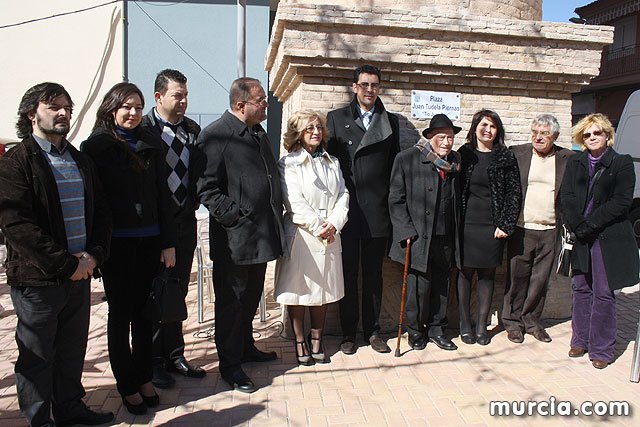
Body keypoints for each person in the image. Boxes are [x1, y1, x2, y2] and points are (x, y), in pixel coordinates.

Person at [0, 82, 113, 427]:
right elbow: (17, 226)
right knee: (37, 356)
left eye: (68, 106)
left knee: (70, 350)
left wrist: (93, 257)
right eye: (54, 107)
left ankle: (69, 408)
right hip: (39, 280)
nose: (64, 113)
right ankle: (39, 419)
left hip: (79, 275)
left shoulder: (78, 159)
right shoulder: (18, 162)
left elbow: (101, 213)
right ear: (32, 114)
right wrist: (66, 264)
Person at [81, 82, 176, 415]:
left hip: (150, 239)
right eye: (127, 107)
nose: (134, 113)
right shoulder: (95, 148)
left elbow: (163, 195)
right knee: (121, 315)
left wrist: (167, 242)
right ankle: (126, 385)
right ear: (112, 109)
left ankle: (144, 376)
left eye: (138, 107)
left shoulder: (151, 142)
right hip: (116, 243)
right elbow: (93, 202)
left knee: (146, 313)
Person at [196, 77, 285, 393]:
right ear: (240, 104)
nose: (266, 104)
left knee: (250, 299)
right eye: (260, 100)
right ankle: (230, 365)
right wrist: (234, 215)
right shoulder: (216, 136)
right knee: (231, 304)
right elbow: (206, 187)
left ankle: (245, 347)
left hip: (260, 236)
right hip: (235, 240)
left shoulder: (257, 132)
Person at [326, 64, 400, 355]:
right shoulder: (336, 118)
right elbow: (330, 167)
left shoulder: (390, 122)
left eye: (375, 85)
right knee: (347, 274)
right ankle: (347, 333)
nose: (370, 90)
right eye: (365, 84)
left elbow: (395, 171)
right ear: (354, 87)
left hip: (377, 212)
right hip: (346, 210)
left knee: (373, 276)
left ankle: (373, 331)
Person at [140, 69, 206, 388]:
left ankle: (175, 354)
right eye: (177, 95)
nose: (183, 101)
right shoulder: (143, 129)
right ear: (158, 97)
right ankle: (153, 361)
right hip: (152, 228)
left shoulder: (192, 130)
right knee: (154, 292)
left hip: (184, 225)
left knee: (176, 291)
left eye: (185, 95)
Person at [559, 113, 639, 369]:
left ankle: (602, 349)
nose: (592, 137)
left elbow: (621, 202)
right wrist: (578, 225)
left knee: (604, 293)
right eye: (587, 134)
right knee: (581, 288)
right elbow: (567, 197)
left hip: (607, 237)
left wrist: (590, 224)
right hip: (582, 235)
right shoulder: (576, 162)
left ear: (607, 135)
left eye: (597, 133)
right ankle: (580, 340)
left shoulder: (621, 163)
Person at [275, 110, 349, 365]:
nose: (316, 132)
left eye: (318, 127)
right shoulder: (289, 163)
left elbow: (343, 195)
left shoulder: (333, 162)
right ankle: (299, 339)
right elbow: (294, 201)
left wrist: (335, 223)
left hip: (330, 233)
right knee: (300, 291)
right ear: (298, 133)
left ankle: (316, 338)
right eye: (309, 128)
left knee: (322, 291)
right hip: (303, 235)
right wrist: (319, 226)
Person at [389, 114, 463, 352]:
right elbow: (395, 199)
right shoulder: (407, 159)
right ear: (430, 137)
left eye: (450, 137)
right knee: (418, 287)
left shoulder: (456, 162)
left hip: (446, 236)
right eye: (442, 137)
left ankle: (437, 329)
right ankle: (415, 331)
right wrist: (405, 230)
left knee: (442, 284)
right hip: (418, 236)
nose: (447, 142)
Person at [502, 114, 573, 344]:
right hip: (522, 228)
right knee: (516, 277)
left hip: (551, 229)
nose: (538, 137)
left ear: (555, 136)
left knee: (540, 280)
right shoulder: (517, 153)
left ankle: (532, 321)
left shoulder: (567, 158)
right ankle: (512, 323)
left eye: (544, 133)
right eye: (534, 132)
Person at [457, 109, 521, 346]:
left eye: (493, 126)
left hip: (492, 226)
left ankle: (482, 325)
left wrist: (505, 224)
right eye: (484, 125)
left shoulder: (505, 156)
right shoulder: (464, 154)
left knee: (487, 275)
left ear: (498, 131)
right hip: (466, 224)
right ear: (475, 128)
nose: (488, 130)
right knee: (464, 274)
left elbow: (515, 193)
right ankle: (465, 325)